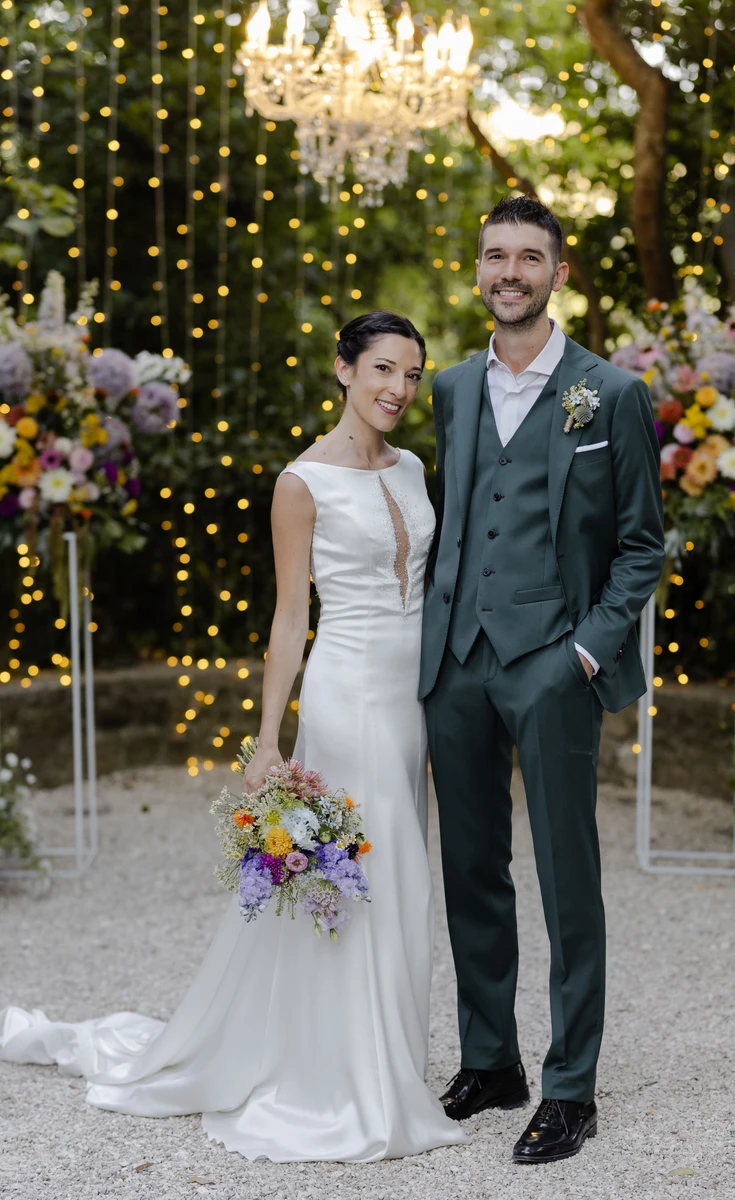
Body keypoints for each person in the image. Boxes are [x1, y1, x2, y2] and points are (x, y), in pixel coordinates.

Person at [0, 310, 467, 1164]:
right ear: (343, 370)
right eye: (382, 370)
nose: (399, 388)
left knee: (403, 873)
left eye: (411, 373)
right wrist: (266, 739)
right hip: (348, 692)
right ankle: (347, 1082)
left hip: (412, 700)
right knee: (357, 874)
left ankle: (391, 1059)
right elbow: (292, 618)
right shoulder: (302, 483)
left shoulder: (413, 468)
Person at [420, 195, 666, 1164]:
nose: (509, 272)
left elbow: (642, 547)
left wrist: (583, 653)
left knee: (568, 877)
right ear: (477, 271)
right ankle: (492, 1059)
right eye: (494, 256)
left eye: (529, 257)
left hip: (554, 665)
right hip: (457, 664)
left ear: (558, 273)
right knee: (470, 868)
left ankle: (570, 1085)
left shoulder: (608, 394)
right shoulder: (445, 389)